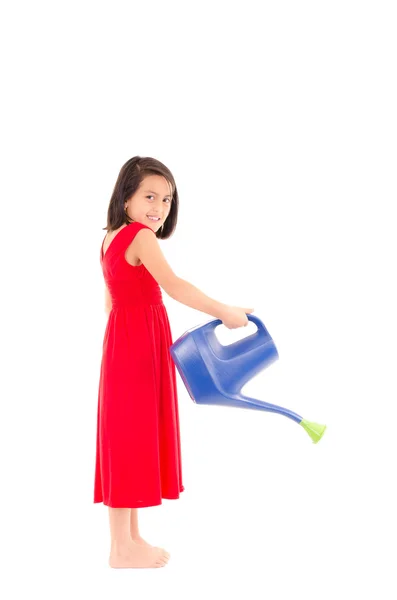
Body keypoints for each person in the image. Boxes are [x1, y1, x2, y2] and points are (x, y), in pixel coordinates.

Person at [94, 156, 254, 569]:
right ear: (126, 197)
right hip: (137, 347)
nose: (159, 207)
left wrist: (122, 348)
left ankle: (128, 539)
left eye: (166, 199)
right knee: (131, 439)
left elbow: (110, 303)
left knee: (125, 438)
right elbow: (174, 285)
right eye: (149, 196)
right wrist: (224, 311)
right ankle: (121, 549)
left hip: (122, 346)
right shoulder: (140, 237)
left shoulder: (110, 238)